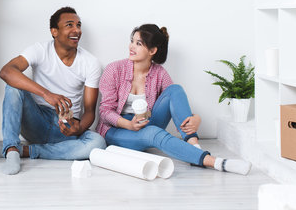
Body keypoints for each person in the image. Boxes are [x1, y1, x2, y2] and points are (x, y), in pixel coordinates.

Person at [96, 24, 251, 175]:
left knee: (175, 89)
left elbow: (176, 104)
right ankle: (216, 162)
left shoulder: (159, 73)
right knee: (153, 133)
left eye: (138, 43)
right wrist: (129, 125)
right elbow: (105, 112)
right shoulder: (114, 69)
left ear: (152, 50)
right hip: (117, 130)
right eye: (132, 41)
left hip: (146, 122)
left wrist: (196, 118)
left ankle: (194, 146)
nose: (131, 47)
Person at [0, 6, 106, 175]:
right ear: (54, 31)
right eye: (69, 25)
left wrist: (79, 128)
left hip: (65, 128)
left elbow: (89, 111)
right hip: (36, 121)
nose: (77, 30)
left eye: (78, 25)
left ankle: (25, 151)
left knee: (98, 143)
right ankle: (12, 149)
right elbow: (6, 71)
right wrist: (47, 94)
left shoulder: (90, 62)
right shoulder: (39, 50)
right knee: (13, 86)